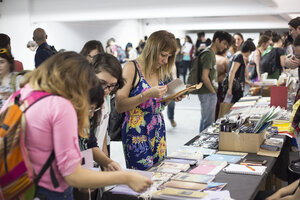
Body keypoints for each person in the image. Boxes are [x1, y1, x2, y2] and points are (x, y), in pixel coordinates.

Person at [1, 52, 152, 199]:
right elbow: (72, 175)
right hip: (48, 190)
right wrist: (126, 177)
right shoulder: (61, 105)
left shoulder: (23, 94)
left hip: (21, 185)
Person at [115, 30, 183, 170]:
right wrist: (146, 95)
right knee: (142, 175)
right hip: (136, 130)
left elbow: (156, 105)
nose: (165, 61)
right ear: (152, 50)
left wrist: (171, 97)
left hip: (157, 127)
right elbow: (119, 105)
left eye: (169, 57)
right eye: (163, 55)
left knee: (159, 172)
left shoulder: (160, 70)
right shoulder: (131, 68)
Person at [74, 81, 121, 200]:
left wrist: (107, 162)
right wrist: (127, 178)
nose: (91, 115)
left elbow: (90, 144)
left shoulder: (83, 121)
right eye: (91, 109)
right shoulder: (64, 124)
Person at [187, 31, 232, 133]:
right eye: (224, 43)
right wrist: (213, 92)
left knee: (206, 120)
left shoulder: (210, 53)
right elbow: (204, 76)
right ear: (217, 40)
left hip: (207, 92)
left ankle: (200, 143)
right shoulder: (209, 54)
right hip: (207, 92)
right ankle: (201, 144)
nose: (225, 47)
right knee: (207, 121)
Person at [92, 53, 125, 156]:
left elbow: (103, 133)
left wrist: (106, 161)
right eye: (102, 83)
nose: (106, 90)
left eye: (112, 85)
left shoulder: (107, 99)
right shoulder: (85, 103)